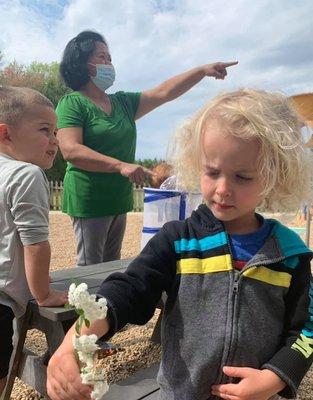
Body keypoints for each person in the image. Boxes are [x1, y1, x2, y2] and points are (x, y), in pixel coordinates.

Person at [47, 88, 313, 400]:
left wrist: (274, 378)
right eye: (212, 172)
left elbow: (306, 329)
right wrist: (77, 338)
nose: (223, 189)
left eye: (242, 177)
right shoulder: (179, 240)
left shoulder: (287, 254)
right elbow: (129, 289)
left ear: (272, 176)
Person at [56, 30, 238, 266]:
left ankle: (108, 304)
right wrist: (120, 166)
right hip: (89, 199)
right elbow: (70, 150)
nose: (109, 63)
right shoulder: (72, 103)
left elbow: (164, 92)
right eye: (102, 57)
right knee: (90, 268)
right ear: (83, 63)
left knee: (111, 267)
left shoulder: (123, 103)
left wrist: (202, 71)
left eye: (110, 58)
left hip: (118, 199)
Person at [0, 86, 68, 395]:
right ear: (6, 134)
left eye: (55, 132)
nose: (55, 140)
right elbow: (35, 243)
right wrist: (42, 293)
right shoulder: (26, 174)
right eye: (45, 130)